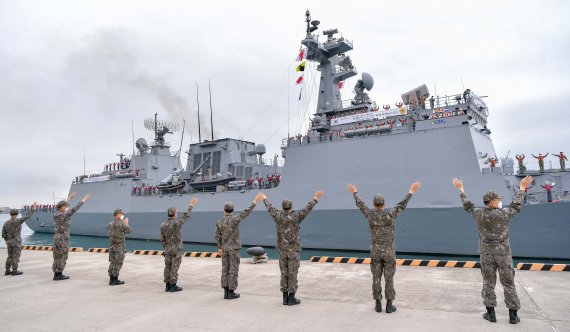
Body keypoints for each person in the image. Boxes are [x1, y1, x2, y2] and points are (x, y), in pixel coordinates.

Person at [452, 175, 533, 325]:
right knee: (508, 283)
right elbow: (516, 206)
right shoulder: (503, 214)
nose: (500, 201)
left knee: (488, 283)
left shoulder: (479, 214)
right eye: (498, 199)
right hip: (503, 254)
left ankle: (491, 314)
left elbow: (468, 206)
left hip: (486, 254)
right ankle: (513, 316)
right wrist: (522, 188)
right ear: (492, 202)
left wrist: (461, 190)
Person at [346, 181, 421, 314]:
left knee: (376, 277)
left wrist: (354, 192)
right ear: (384, 204)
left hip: (375, 253)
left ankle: (378, 303)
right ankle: (389, 305)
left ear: (374, 205)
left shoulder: (370, 215)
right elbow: (401, 205)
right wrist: (411, 191)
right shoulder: (390, 216)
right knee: (389, 278)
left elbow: (361, 205)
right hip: (389, 253)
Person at [259, 190, 324, 306]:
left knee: (284, 273)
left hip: (282, 251)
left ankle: (284, 298)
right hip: (293, 250)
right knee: (292, 273)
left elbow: (270, 209)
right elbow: (307, 209)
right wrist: (315, 198)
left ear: (283, 207)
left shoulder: (278, 216)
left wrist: (264, 198)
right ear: (292, 206)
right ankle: (291, 298)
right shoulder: (296, 216)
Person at [215, 193, 263, 300]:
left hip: (225, 248)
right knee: (233, 269)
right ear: (232, 210)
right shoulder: (236, 219)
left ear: (224, 210)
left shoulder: (220, 221)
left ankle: (226, 291)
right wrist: (254, 202)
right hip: (234, 249)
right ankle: (231, 292)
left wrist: (220, 247)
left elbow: (217, 235)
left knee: (225, 269)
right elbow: (246, 212)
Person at [160, 197, 198, 292]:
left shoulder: (163, 225)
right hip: (176, 249)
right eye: (176, 212)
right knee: (174, 267)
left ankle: (167, 285)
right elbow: (186, 216)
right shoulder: (177, 223)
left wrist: (166, 247)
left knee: (167, 266)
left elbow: (162, 239)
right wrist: (191, 205)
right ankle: (173, 285)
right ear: (174, 214)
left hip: (168, 249)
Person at [52, 192, 90, 280]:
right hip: (63, 239)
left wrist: (69, 198)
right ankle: (59, 274)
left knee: (57, 256)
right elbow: (74, 209)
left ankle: (56, 273)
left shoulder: (56, 214)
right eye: (64, 206)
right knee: (63, 256)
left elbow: (60, 206)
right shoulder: (64, 215)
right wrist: (84, 200)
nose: (66, 207)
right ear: (61, 207)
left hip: (57, 238)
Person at [2, 203, 37, 275]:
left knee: (10, 255)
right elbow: (27, 216)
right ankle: (15, 270)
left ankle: (7, 270)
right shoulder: (18, 221)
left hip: (9, 242)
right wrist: (33, 209)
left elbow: (3, 233)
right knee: (16, 256)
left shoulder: (6, 223)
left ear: (10, 214)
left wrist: (6, 240)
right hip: (16, 242)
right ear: (17, 214)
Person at [108, 208, 132, 286]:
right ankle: (115, 280)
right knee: (118, 262)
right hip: (119, 246)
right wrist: (126, 223)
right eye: (121, 214)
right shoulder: (121, 223)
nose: (122, 215)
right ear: (118, 214)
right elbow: (129, 230)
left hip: (112, 246)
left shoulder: (110, 223)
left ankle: (111, 279)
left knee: (112, 262)